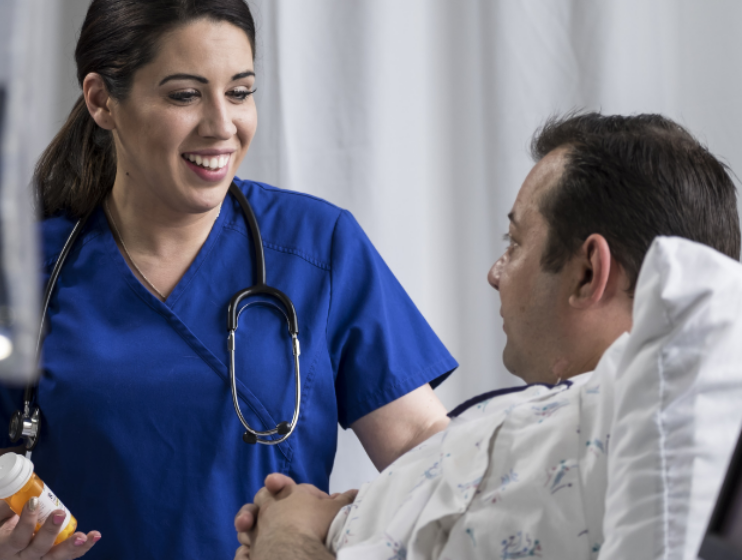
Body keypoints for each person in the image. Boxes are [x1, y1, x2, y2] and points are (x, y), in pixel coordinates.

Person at [0, 0, 458, 559]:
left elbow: (425, 453)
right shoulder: (19, 273)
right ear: (101, 101)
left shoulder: (317, 246)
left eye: (240, 92)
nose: (222, 125)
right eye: (184, 95)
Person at [233, 112, 742, 559]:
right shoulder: (551, 425)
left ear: (589, 273)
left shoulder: (607, 459)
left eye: (515, 243)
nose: (495, 273)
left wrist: (288, 537)